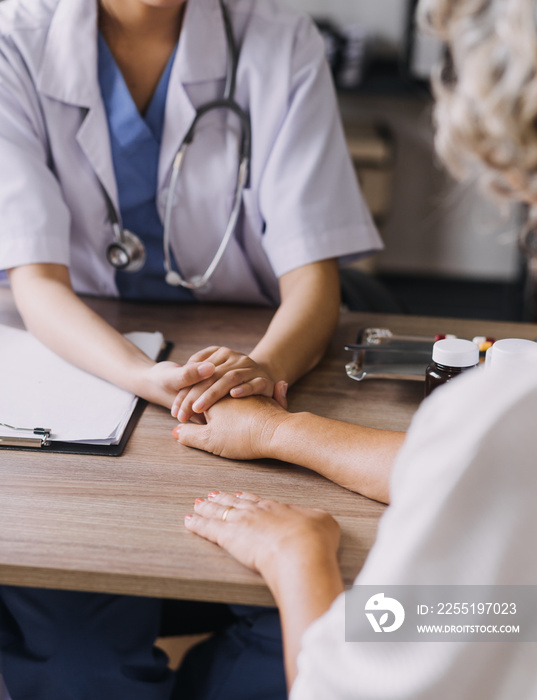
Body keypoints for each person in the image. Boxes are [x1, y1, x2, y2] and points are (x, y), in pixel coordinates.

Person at [0, 0, 382, 698]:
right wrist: (142, 374)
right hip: (86, 368)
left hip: (248, 376)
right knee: (72, 654)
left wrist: (264, 366)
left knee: (336, 618)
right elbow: (35, 280)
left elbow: (314, 284)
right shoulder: (13, 40)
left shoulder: (276, 38)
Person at [179, 0, 537, 696]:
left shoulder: (507, 411)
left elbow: (350, 679)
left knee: (225, 672)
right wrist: (282, 431)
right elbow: (478, 480)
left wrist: (295, 556)